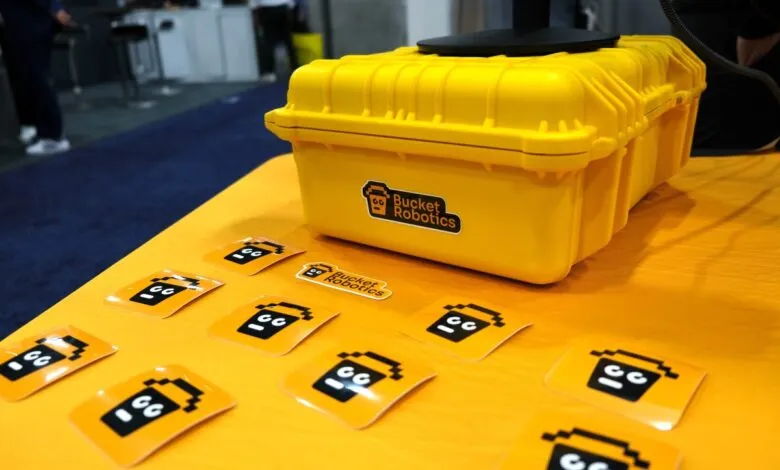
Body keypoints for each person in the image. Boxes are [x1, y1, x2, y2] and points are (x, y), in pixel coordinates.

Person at [673, 0, 780, 153]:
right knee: (719, 140)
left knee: (707, 138)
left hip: (709, 20)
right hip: (737, 24)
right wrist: (758, 27)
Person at [0, 0, 72, 155]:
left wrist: (56, 7)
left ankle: (53, 136)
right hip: (14, 23)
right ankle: (33, 126)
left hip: (32, 22)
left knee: (36, 77)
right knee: (22, 78)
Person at [251, 0, 298, 83]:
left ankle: (269, 72)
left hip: (266, 8)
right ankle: (295, 68)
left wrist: (253, 6)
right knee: (288, 40)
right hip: (284, 6)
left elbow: (254, 4)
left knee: (269, 41)